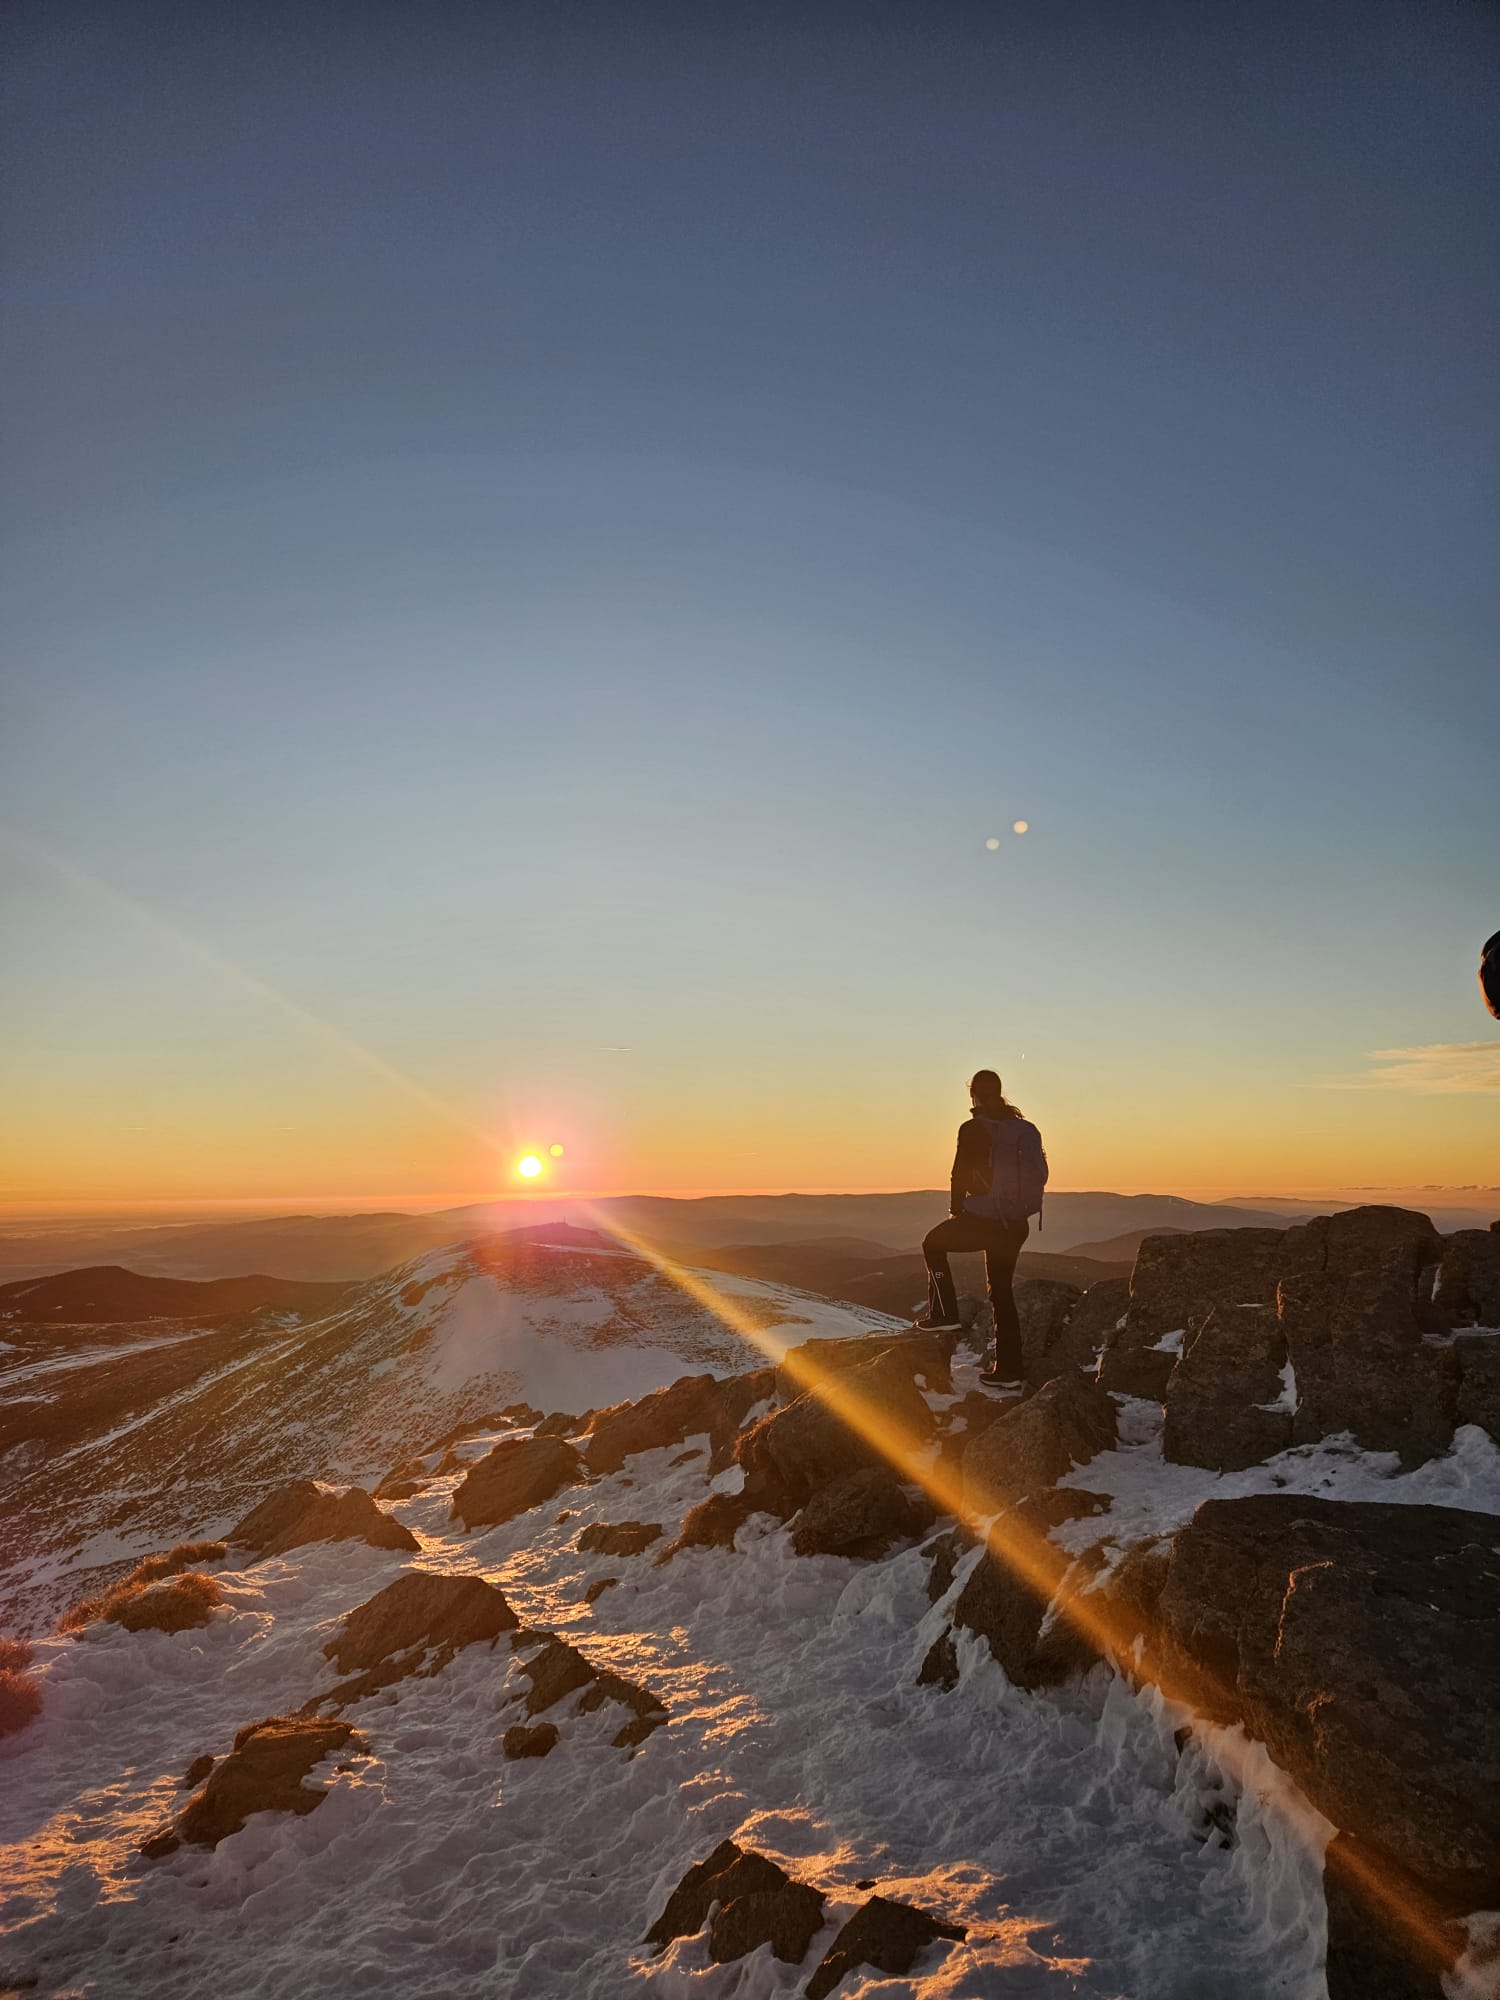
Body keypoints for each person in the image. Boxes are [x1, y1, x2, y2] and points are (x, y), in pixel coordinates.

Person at [915, 1069, 1048, 1391]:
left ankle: (945, 1313)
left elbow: (960, 1171)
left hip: (984, 1219)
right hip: (1016, 1224)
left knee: (933, 1244)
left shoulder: (973, 1128)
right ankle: (1009, 1369)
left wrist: (957, 1207)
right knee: (1002, 1293)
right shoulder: (1023, 1128)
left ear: (973, 1094)